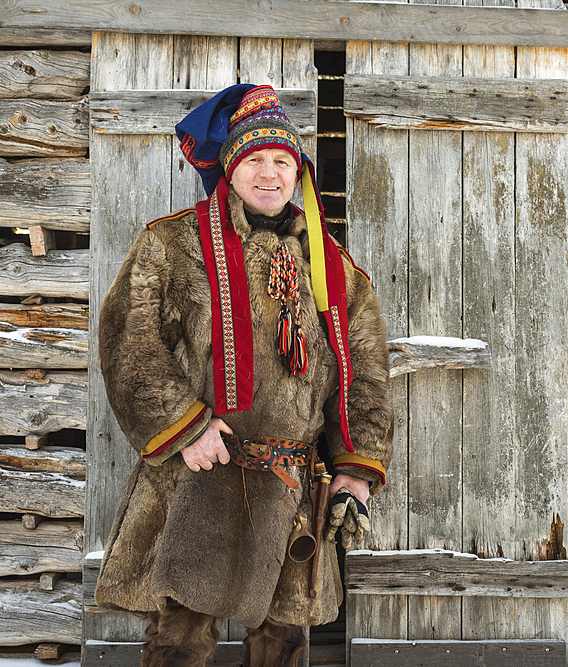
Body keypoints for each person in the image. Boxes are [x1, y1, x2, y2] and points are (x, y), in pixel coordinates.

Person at [93, 84, 394, 667]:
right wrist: (185, 428)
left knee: (283, 642)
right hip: (208, 468)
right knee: (180, 635)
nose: (269, 173)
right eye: (254, 159)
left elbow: (364, 376)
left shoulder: (334, 268)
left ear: (298, 172)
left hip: (296, 481)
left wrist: (356, 469)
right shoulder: (175, 246)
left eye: (282, 161)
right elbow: (130, 340)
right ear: (230, 168)